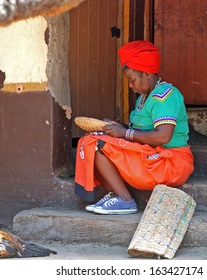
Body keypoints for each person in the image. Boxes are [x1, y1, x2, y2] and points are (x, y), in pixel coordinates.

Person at [74, 40, 194, 215]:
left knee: (97, 144)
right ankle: (116, 194)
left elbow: (162, 137)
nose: (131, 86)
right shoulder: (143, 99)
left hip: (169, 163)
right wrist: (117, 128)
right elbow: (139, 132)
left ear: (146, 73)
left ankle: (124, 200)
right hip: (150, 157)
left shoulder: (166, 95)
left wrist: (124, 133)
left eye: (132, 80)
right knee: (91, 140)